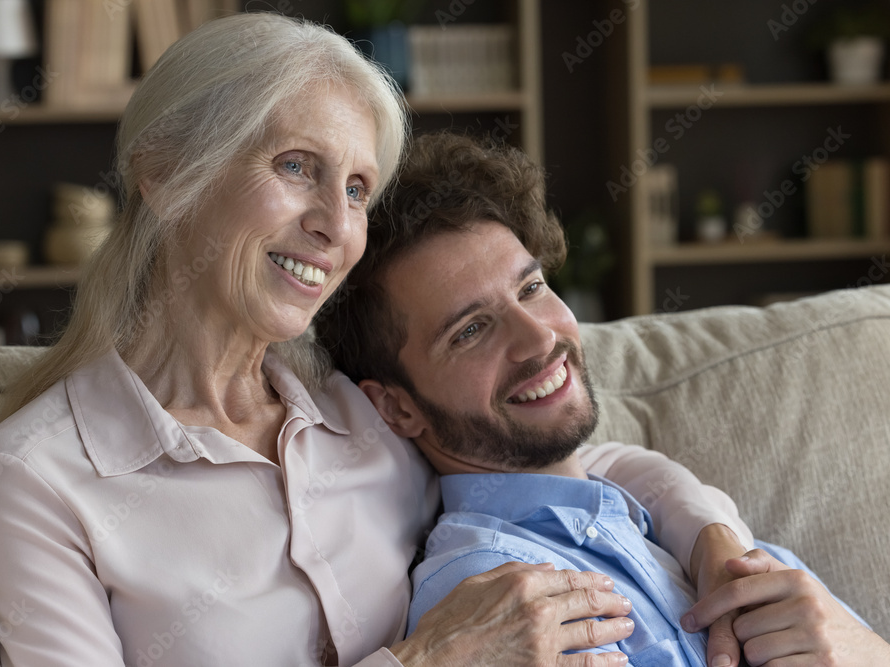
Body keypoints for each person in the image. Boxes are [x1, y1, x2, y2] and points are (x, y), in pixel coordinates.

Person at [0, 13, 761, 667]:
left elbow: (578, 461)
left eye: (356, 189)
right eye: (297, 166)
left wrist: (715, 540)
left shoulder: (361, 408)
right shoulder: (32, 479)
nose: (338, 228)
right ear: (167, 174)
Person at [315, 131, 890, 666]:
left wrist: (866, 651)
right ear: (397, 407)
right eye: (471, 330)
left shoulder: (681, 534)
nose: (540, 337)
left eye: (531, 287)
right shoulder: (494, 597)